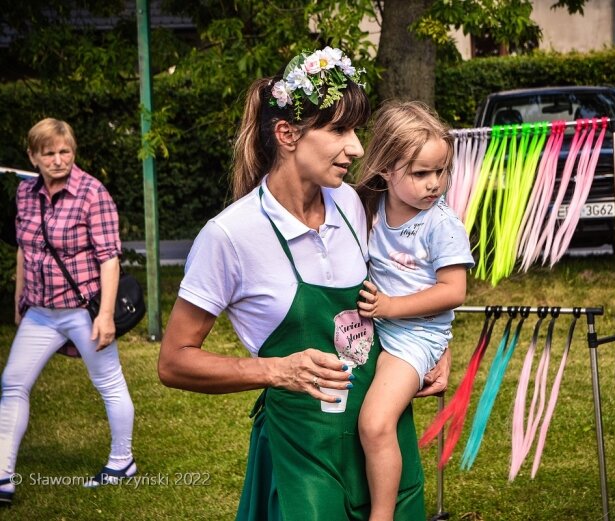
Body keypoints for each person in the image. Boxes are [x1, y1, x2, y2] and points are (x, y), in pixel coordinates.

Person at [158, 48, 450, 521]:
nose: (356, 149)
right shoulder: (230, 236)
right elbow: (174, 362)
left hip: (381, 440)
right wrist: (277, 371)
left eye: (355, 131)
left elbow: (398, 288)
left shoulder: (352, 207)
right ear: (287, 134)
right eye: (338, 130)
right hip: (304, 457)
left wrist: (431, 347)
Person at [0, 118, 136, 506]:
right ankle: (2, 477)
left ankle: (122, 461)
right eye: (49, 153)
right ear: (33, 156)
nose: (58, 160)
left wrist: (105, 315)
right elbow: (25, 247)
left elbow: (109, 258)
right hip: (40, 312)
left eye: (65, 152)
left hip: (83, 310)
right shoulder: (25, 193)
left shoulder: (92, 192)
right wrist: (19, 298)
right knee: (12, 383)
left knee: (108, 383)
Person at [354, 101, 474, 521]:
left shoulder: (441, 225)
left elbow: (454, 290)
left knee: (374, 423)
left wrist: (391, 306)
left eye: (441, 172)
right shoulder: (368, 207)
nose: (434, 184)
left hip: (414, 337)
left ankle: (383, 515)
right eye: (421, 173)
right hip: (376, 328)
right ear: (385, 169)